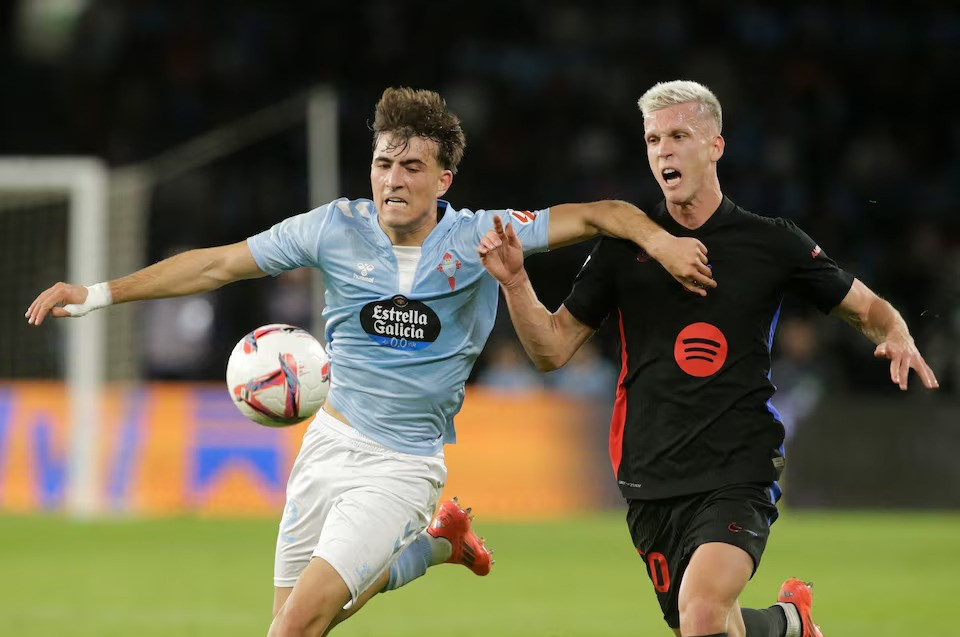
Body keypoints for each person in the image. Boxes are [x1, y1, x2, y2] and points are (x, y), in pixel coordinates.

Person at [25, 86, 716, 637]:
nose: (393, 179)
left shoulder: (479, 235)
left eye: (412, 166)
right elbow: (217, 264)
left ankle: (431, 533)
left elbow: (602, 213)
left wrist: (662, 243)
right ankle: (440, 545)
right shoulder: (334, 227)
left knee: (292, 628)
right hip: (328, 442)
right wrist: (95, 294)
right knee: (298, 621)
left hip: (403, 464)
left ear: (444, 178)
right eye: (384, 163)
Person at [477, 80, 939, 637]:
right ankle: (790, 624)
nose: (663, 150)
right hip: (651, 475)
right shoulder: (624, 251)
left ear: (716, 145)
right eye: (652, 140)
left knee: (700, 612)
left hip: (740, 466)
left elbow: (864, 307)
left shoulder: (770, 243)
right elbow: (551, 350)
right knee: (706, 620)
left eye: (679, 135)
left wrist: (895, 330)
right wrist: (517, 283)